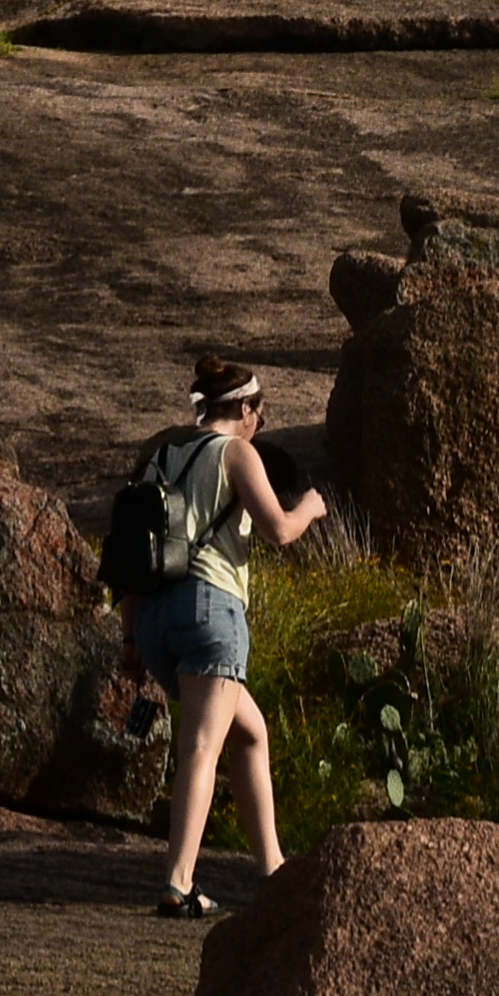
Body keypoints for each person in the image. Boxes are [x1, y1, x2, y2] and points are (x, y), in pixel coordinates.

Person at [132, 357, 327, 916]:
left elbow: (133, 552)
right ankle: (179, 883)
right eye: (259, 415)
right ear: (244, 409)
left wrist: (129, 642)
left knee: (250, 733)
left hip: (153, 620)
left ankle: (273, 868)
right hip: (210, 612)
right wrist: (309, 508)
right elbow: (278, 531)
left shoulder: (160, 456)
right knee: (202, 745)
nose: (259, 425)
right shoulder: (237, 453)